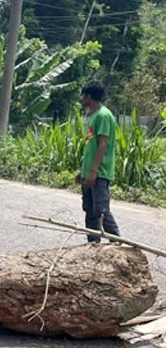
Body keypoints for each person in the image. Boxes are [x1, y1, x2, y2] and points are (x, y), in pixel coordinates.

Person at [76, 79, 120, 242]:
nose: (82, 99)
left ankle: (118, 245)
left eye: (84, 96)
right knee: (90, 210)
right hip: (90, 172)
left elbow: (103, 145)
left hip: (99, 173)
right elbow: (91, 147)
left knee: (101, 210)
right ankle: (93, 246)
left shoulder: (103, 115)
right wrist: (83, 171)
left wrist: (93, 171)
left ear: (89, 96)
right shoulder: (94, 116)